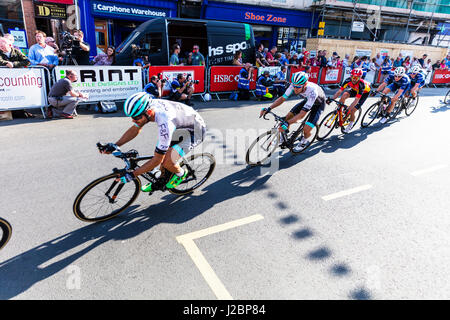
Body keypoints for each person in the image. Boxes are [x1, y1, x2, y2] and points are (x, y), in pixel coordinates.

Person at [101, 92, 206, 193]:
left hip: (195, 130)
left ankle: (181, 174)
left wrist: (132, 175)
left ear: (149, 113)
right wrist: (116, 145)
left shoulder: (165, 123)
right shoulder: (148, 106)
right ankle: (161, 179)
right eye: (132, 117)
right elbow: (135, 128)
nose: (133, 120)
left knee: (166, 161)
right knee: (161, 152)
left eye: (136, 117)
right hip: (181, 123)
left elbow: (157, 160)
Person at [260, 71, 326, 153]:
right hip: (307, 100)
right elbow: (282, 98)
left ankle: (304, 142)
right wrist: (269, 108)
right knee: (287, 117)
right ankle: (282, 138)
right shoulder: (294, 84)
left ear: (305, 85)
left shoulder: (312, 91)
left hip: (318, 104)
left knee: (306, 128)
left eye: (298, 87)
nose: (295, 88)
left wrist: (288, 123)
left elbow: (302, 114)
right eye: (294, 86)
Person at [327, 68, 371, 133]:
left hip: (364, 93)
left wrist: (349, 109)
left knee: (352, 110)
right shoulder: (348, 80)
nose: (354, 79)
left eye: (356, 78)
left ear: (360, 78)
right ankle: (339, 110)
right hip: (354, 90)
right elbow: (339, 92)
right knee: (344, 95)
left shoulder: (361, 85)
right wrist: (332, 99)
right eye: (353, 77)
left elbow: (356, 100)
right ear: (351, 76)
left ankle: (351, 124)